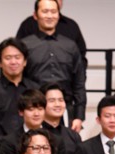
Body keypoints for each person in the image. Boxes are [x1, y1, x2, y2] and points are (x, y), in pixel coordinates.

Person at [21, 0, 85, 133]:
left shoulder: (70, 46)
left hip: (64, 109)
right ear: (35, 15)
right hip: (34, 110)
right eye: (45, 11)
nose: (50, 16)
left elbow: (79, 82)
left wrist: (79, 116)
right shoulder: (25, 45)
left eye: (54, 11)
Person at [38, 83, 85, 154]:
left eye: (61, 100)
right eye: (52, 100)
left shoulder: (74, 136)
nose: (57, 104)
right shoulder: (35, 134)